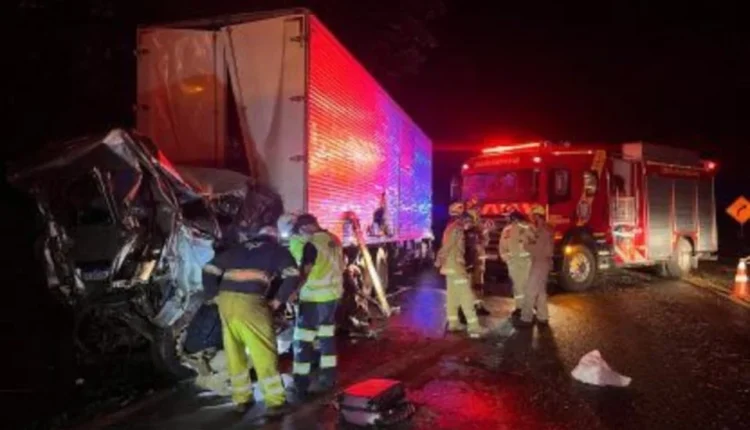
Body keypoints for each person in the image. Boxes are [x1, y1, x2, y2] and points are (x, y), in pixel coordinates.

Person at [202, 225, 300, 415]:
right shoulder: (276, 250)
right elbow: (292, 274)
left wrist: (212, 295)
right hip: (251, 302)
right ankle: (275, 403)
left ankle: (242, 400)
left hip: (226, 301)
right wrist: (278, 301)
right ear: (275, 237)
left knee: (234, 351)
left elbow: (209, 268)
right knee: (263, 351)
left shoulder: (238, 249)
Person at [288, 213, 345, 398]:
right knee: (326, 339)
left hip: (313, 299)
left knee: (303, 340)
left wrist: (294, 291)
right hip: (332, 297)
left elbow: (305, 271)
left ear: (305, 227)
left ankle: (300, 384)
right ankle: (328, 379)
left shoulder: (311, 244)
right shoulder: (334, 239)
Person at [436, 202, 488, 339]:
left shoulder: (451, 227)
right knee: (466, 296)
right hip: (456, 267)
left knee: (453, 296)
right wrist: (439, 259)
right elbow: (447, 246)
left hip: (450, 267)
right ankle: (474, 326)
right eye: (468, 220)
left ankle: (453, 323)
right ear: (461, 217)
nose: (469, 223)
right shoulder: (457, 229)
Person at [515, 204, 554, 327]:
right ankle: (543, 317)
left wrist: (525, 246)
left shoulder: (543, 231)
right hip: (542, 263)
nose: (531, 218)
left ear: (537, 216)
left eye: (533, 216)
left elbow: (538, 249)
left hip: (540, 263)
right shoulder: (544, 230)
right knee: (540, 291)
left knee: (530, 290)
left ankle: (526, 319)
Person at [499, 209, 533, 319]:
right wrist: (505, 258)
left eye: (510, 218)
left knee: (525, 285)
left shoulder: (527, 227)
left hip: (525, 261)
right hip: (514, 262)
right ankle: (519, 308)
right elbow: (502, 246)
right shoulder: (507, 230)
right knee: (518, 286)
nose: (509, 220)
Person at [466, 206, 491, 316]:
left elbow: (485, 242)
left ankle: (479, 306)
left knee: (479, 285)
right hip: (471, 261)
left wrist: (484, 231)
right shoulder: (467, 229)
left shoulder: (479, 228)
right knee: (470, 285)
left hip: (479, 261)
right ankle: (470, 307)